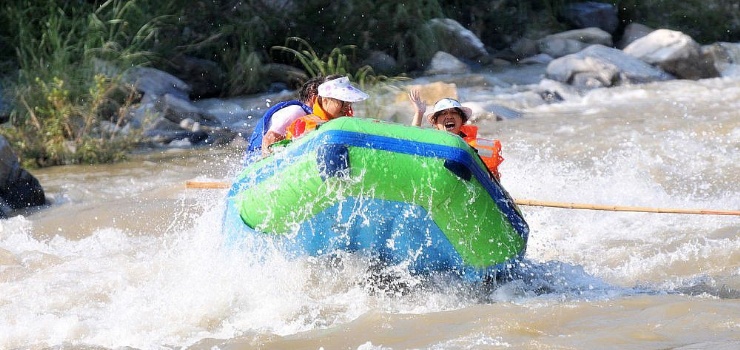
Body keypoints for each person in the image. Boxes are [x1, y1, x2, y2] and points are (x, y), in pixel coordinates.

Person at [408, 90, 504, 180]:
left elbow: (495, 185)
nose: (449, 116)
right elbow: (412, 144)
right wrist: (419, 113)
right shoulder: (431, 143)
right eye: (443, 113)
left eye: (454, 112)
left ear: (462, 121)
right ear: (435, 123)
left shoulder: (475, 147)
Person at [247, 75, 336, 157]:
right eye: (331, 99)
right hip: (257, 161)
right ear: (314, 97)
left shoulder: (311, 118)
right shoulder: (296, 111)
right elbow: (269, 140)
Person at [286, 76, 369, 139]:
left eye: (349, 102)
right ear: (325, 100)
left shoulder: (348, 123)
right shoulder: (305, 123)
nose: (347, 106)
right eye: (343, 101)